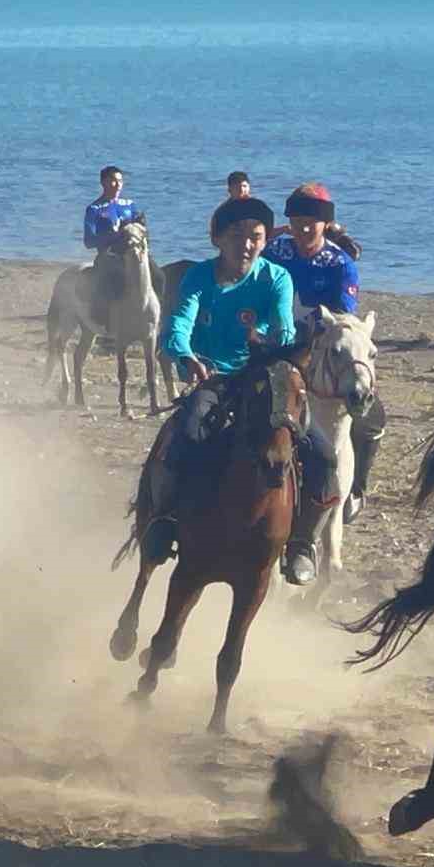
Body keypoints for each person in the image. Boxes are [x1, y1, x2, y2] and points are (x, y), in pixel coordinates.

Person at [147, 196, 340, 585]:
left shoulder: (275, 278)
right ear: (218, 239)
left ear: (266, 240)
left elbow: (284, 326)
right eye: (237, 236)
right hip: (212, 378)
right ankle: (165, 520)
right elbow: (178, 325)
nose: (247, 244)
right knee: (188, 433)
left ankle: (302, 542)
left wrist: (271, 344)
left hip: (265, 376)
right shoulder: (199, 276)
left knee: (322, 454)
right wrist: (185, 357)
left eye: (256, 236)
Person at [262, 182, 385, 523]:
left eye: (311, 221)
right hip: (275, 348)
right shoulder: (275, 253)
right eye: (297, 219)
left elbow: (344, 319)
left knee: (372, 418)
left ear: (325, 224)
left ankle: (356, 489)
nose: (303, 227)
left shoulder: (340, 264)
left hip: (320, 351)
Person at [83, 165, 142, 317]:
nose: (118, 185)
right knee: (114, 281)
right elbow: (88, 241)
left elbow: (139, 227)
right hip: (108, 256)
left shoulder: (129, 205)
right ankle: (106, 318)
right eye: (113, 181)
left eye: (120, 181)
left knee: (158, 275)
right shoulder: (94, 209)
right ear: (103, 183)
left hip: (132, 253)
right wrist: (114, 236)